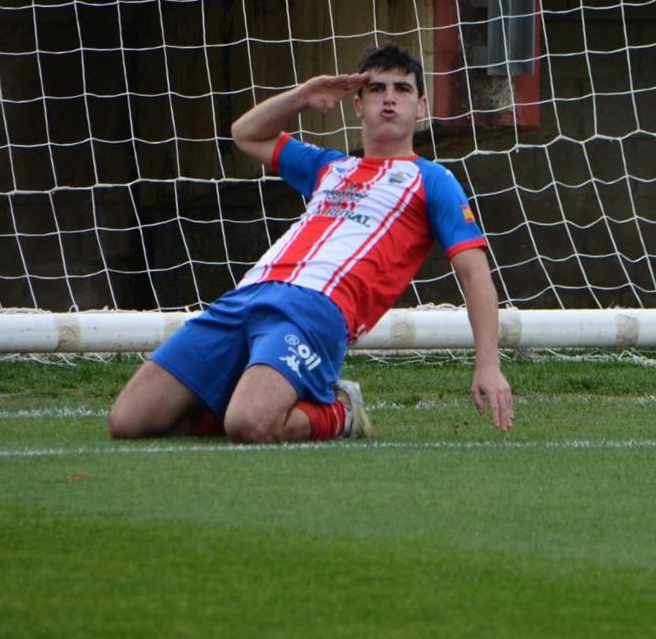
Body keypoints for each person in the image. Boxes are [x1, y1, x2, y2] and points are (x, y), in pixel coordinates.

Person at [108, 44, 513, 444]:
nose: (389, 98)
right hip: (246, 295)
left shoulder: (433, 180)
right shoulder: (330, 166)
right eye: (376, 89)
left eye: (402, 89)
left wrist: (488, 364)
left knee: (249, 425)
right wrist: (302, 96)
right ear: (357, 104)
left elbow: (474, 273)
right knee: (129, 421)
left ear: (421, 106)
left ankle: (341, 411)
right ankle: (249, 399)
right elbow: (245, 134)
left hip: (316, 310)